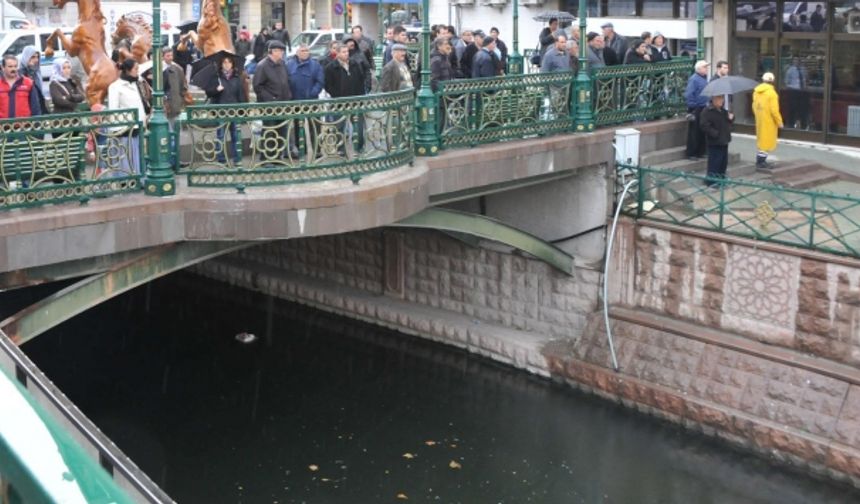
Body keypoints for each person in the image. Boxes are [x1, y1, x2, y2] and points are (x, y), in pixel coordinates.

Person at [204, 55, 248, 164]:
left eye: (229, 62)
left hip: (234, 111)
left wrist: (243, 110)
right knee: (221, 136)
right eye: (224, 62)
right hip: (221, 111)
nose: (227, 64)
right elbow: (208, 93)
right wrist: (216, 90)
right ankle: (221, 159)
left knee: (235, 136)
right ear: (221, 64)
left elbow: (241, 95)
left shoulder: (237, 78)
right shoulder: (216, 77)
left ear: (232, 64)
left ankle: (237, 159)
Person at [107, 59, 146, 174]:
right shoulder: (115, 87)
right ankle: (125, 178)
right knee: (125, 154)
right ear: (128, 70)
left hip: (138, 125)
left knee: (137, 154)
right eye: (135, 69)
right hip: (125, 128)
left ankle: (137, 177)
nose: (137, 71)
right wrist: (117, 129)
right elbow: (113, 109)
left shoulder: (136, 83)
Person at [699, 94, 733, 187]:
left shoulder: (723, 111)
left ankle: (721, 178)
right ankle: (712, 180)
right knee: (715, 161)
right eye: (719, 99)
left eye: (722, 98)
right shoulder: (707, 111)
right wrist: (715, 133)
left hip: (724, 139)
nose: (721, 101)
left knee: (723, 161)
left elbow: (728, 122)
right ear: (713, 100)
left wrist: (731, 118)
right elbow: (704, 125)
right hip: (715, 141)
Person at [752, 72, 783, 168]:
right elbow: (774, 110)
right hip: (769, 121)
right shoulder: (772, 93)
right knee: (767, 142)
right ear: (772, 81)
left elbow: (754, 106)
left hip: (760, 119)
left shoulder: (756, 92)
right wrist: (779, 122)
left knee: (761, 140)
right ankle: (761, 162)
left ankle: (760, 160)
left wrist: (757, 115)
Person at [0, 54, 41, 118]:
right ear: (3, 67)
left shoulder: (28, 83)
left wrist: (36, 124)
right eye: (10, 66)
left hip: (25, 125)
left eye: (15, 66)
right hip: (3, 125)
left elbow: (35, 107)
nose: (13, 69)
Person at [684, 60, 710, 160]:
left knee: (701, 131)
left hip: (703, 107)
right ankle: (692, 153)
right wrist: (693, 107)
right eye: (705, 67)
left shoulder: (703, 79)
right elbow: (689, 94)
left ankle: (700, 151)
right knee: (694, 132)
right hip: (696, 108)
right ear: (699, 69)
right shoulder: (694, 79)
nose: (706, 69)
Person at [19, 46, 47, 115]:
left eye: (37, 57)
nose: (36, 60)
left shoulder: (36, 71)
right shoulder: (20, 72)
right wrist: (30, 70)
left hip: (38, 105)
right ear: (26, 57)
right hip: (26, 109)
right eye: (33, 57)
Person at [784, 57, 809, 129]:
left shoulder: (803, 69)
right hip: (793, 91)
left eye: (798, 60)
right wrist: (792, 87)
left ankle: (803, 124)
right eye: (795, 60)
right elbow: (786, 82)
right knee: (793, 108)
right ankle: (791, 124)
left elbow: (806, 79)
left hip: (803, 92)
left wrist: (805, 86)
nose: (797, 61)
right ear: (793, 61)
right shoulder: (790, 70)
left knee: (803, 108)